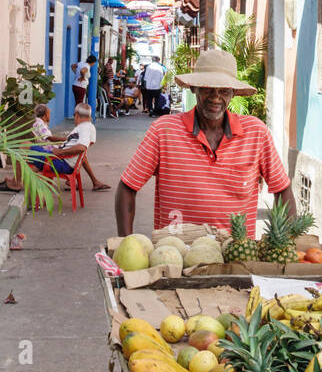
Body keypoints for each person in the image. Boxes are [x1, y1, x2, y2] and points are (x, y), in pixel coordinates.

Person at [115, 49, 295, 236]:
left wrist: (287, 243)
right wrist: (125, 243)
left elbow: (282, 188)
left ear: (233, 93)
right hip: (175, 254)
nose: (215, 97)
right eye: (208, 88)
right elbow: (128, 186)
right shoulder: (164, 131)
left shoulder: (255, 133)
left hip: (236, 257)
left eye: (224, 91)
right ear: (194, 88)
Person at [0, 101, 110, 192]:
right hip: (59, 159)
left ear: (76, 115)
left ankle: (17, 183)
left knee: (23, 147)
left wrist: (60, 152)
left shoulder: (85, 128)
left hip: (59, 161)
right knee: (26, 147)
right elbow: (80, 148)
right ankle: (17, 180)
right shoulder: (85, 127)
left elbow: (81, 147)